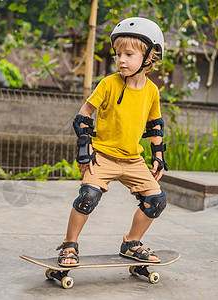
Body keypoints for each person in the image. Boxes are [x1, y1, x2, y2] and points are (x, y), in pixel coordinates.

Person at [57, 17, 168, 267]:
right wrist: (85, 152)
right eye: (117, 54)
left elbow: (155, 126)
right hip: (102, 157)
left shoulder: (152, 91)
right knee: (88, 196)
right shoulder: (108, 83)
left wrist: (158, 157)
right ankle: (69, 245)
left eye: (129, 54)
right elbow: (83, 117)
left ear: (149, 57)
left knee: (157, 201)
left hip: (133, 160)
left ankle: (131, 243)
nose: (121, 60)